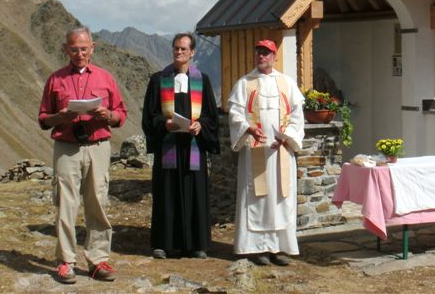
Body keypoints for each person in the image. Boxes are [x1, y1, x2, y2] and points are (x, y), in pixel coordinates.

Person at [38, 26, 127, 284]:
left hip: (98, 146)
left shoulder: (106, 78)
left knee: (97, 202)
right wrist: (61, 117)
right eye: (74, 49)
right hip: (66, 147)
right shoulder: (55, 79)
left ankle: (98, 261)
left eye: (84, 49)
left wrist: (106, 115)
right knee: (66, 203)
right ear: (66, 49)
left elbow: (120, 115)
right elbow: (44, 119)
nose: (79, 53)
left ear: (93, 48)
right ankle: (66, 261)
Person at [142, 32, 220, 260]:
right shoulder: (158, 80)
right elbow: (149, 115)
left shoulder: (202, 81)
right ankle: (163, 244)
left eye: (184, 49)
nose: (179, 52)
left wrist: (200, 126)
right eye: (176, 48)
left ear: (192, 52)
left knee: (194, 193)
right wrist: (164, 124)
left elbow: (211, 116)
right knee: (166, 195)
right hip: (169, 148)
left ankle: (196, 245)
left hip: (193, 148)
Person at [228, 39, 305, 266]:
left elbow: (297, 115)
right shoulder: (244, 84)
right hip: (255, 150)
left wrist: (287, 137)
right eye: (259, 53)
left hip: (281, 150)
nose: (262, 57)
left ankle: (279, 248)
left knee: (280, 199)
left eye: (267, 53)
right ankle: (257, 248)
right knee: (257, 199)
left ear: (274, 56)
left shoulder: (287, 83)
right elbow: (235, 113)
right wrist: (248, 128)